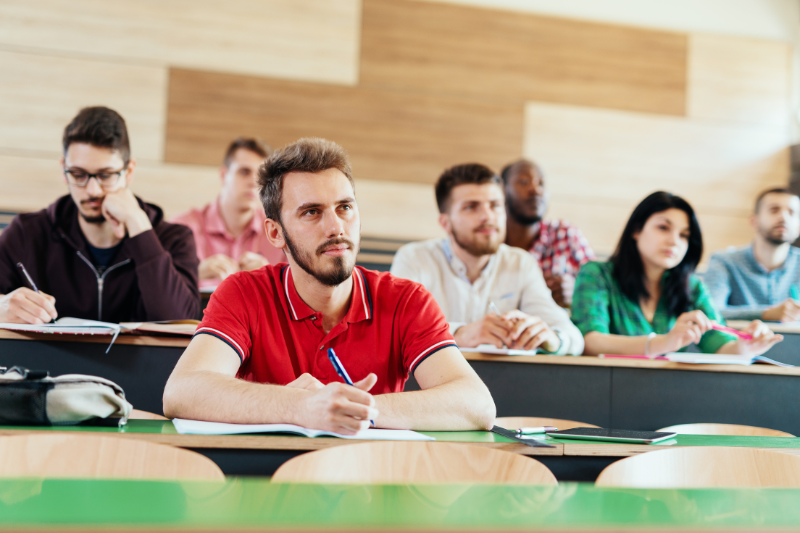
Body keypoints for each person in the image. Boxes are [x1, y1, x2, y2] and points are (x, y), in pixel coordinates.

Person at [163, 138, 496, 433]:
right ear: (275, 233)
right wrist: (302, 408)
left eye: (345, 207)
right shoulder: (243, 292)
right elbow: (183, 391)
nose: (336, 226)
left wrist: (350, 409)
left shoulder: (406, 299)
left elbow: (476, 404)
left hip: (374, 486)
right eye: (311, 212)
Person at [0, 106, 199, 324]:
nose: (93, 190)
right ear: (63, 169)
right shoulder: (27, 233)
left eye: (105, 175)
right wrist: (2, 306)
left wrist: (138, 224)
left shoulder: (175, 239)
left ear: (129, 171)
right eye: (78, 174)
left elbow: (181, 325)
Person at [391, 163, 583, 355]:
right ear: (446, 223)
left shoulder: (521, 262)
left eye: (495, 205)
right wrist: (460, 334)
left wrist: (552, 339)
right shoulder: (414, 259)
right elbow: (394, 331)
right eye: (471, 207)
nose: (488, 216)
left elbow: (573, 337)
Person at [572, 191, 781, 357]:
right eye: (663, 228)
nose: (674, 241)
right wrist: (663, 342)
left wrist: (746, 346)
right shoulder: (596, 274)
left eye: (684, 235)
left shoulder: (692, 288)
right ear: (636, 230)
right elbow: (590, 341)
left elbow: (720, 345)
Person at [172, 138, 285, 289]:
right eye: (244, 172)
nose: (254, 182)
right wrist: (192, 273)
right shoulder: (181, 228)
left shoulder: (281, 235)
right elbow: (159, 291)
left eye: (262, 176)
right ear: (224, 175)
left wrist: (273, 279)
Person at [501, 159, 595, 307]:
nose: (536, 189)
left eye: (541, 183)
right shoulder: (489, 241)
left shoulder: (565, 233)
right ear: (502, 190)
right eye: (524, 182)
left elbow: (598, 290)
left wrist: (575, 294)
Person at [704, 188, 800, 322]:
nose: (783, 217)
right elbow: (709, 312)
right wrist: (766, 314)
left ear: (798, 228)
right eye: (774, 210)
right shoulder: (724, 262)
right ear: (754, 221)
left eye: (791, 212)